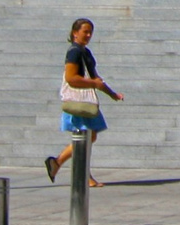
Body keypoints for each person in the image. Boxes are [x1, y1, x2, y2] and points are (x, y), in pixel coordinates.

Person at [47, 17, 123, 183]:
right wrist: (93, 83)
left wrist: (111, 93)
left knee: (89, 136)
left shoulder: (84, 52)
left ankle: (58, 163)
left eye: (90, 32)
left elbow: (96, 78)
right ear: (75, 33)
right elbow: (71, 78)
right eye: (85, 32)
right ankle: (81, 175)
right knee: (85, 137)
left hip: (85, 100)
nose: (88, 35)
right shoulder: (74, 52)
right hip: (79, 100)